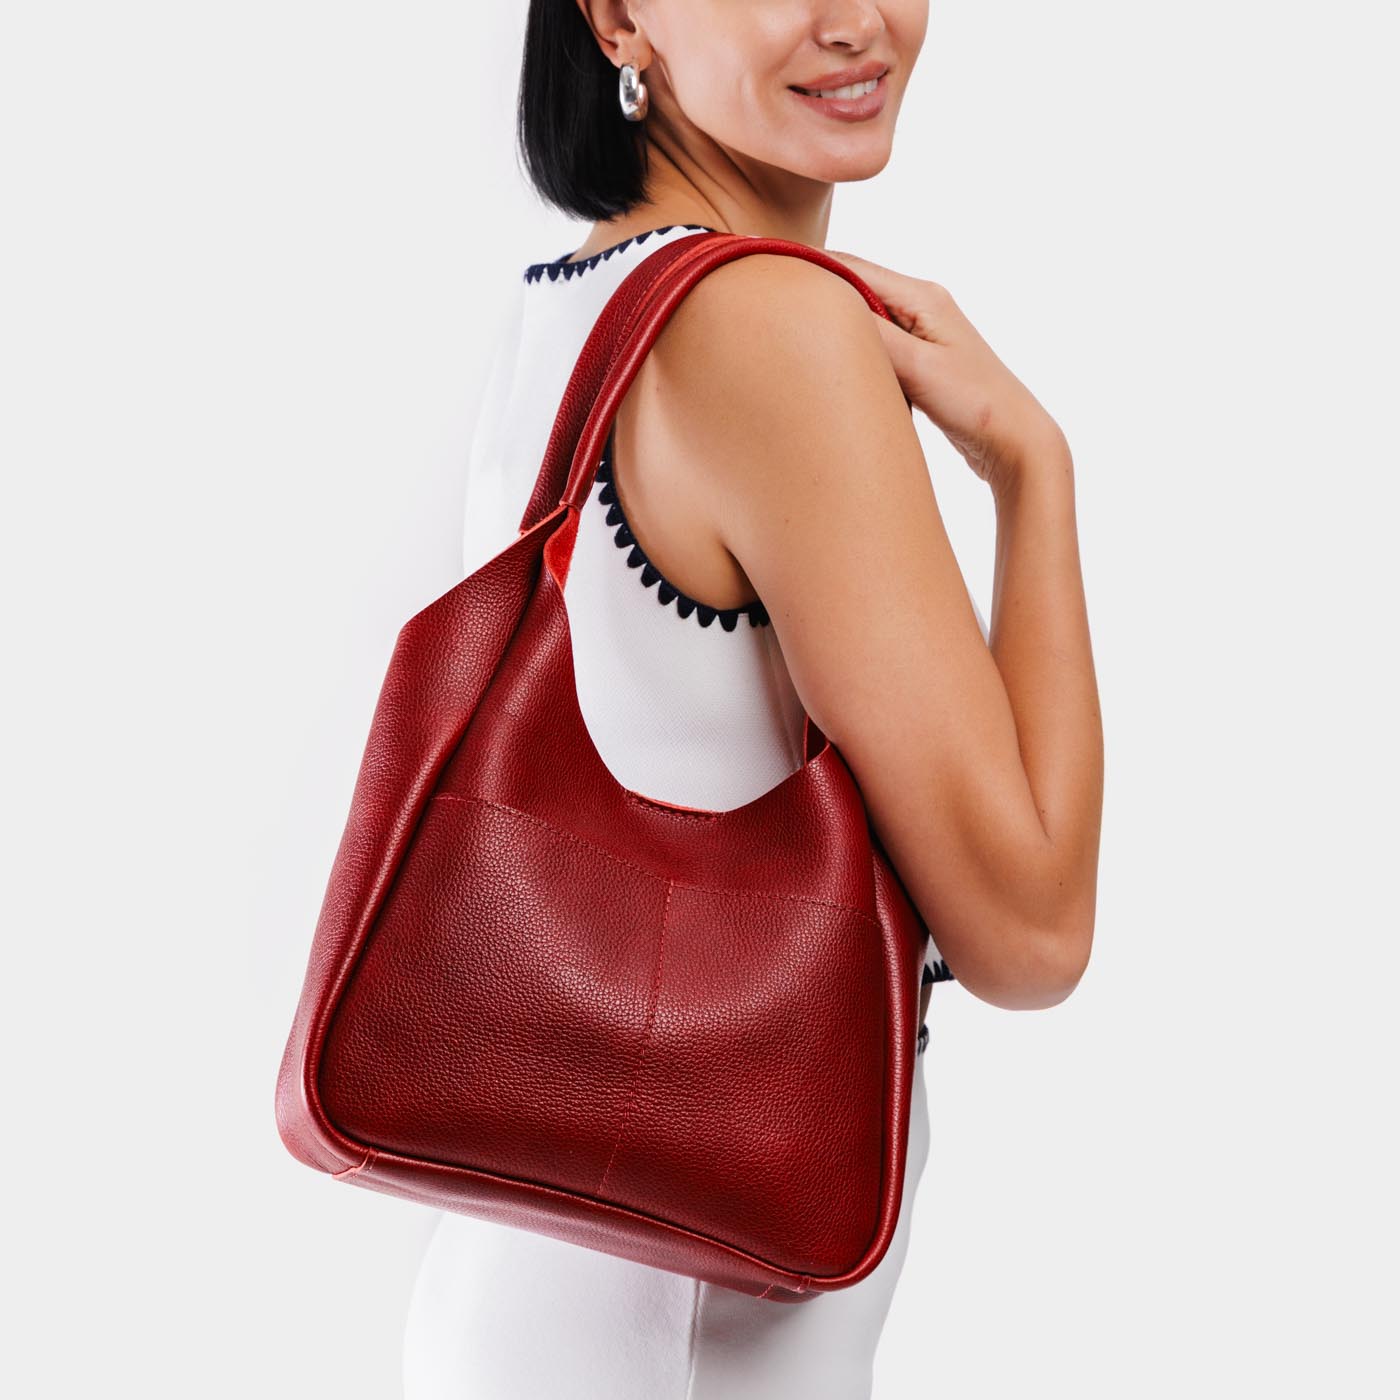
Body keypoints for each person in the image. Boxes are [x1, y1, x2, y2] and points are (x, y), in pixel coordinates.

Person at [403, 1, 1103, 1395]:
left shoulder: (582, 297)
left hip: (541, 1304)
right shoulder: (766, 324)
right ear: (619, 16)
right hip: (669, 1347)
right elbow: (1030, 931)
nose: (857, 22)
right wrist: (1035, 471)